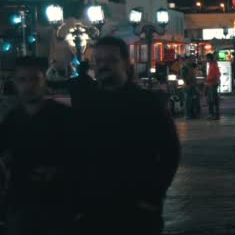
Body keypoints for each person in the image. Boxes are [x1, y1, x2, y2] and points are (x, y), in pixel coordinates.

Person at [76, 37, 180, 235]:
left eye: (111, 60)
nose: (103, 66)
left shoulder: (146, 102)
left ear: (125, 63)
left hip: (136, 206)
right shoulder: (87, 104)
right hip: (94, 207)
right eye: (98, 61)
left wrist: (152, 197)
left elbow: (169, 151)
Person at [0, 56, 78, 235]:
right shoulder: (13, 119)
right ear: (15, 83)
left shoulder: (65, 117)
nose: (29, 86)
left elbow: (80, 155)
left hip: (58, 201)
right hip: (21, 200)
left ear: (44, 80)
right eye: (22, 80)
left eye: (34, 79)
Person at [204, 52, 221, 120]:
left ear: (209, 58)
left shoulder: (213, 65)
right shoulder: (212, 65)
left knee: (212, 100)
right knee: (212, 100)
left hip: (212, 84)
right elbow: (218, 74)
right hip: (212, 84)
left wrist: (207, 79)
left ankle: (214, 115)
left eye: (206, 58)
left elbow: (215, 75)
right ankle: (213, 114)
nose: (206, 60)